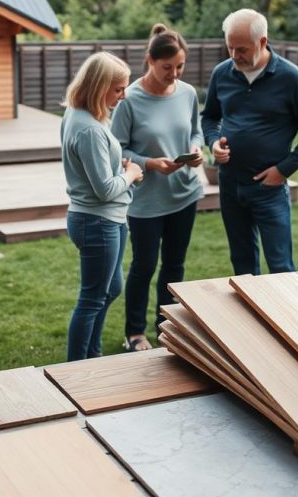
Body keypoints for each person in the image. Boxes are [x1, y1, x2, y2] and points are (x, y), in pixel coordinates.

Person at [201, 9, 298, 275]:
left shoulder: (291, 78)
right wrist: (213, 142)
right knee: (242, 263)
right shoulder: (221, 74)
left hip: (268, 190)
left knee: (281, 267)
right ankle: (251, 317)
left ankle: (285, 318)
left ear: (262, 42)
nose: (235, 56)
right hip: (230, 184)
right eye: (230, 48)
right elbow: (210, 117)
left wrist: (283, 171)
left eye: (242, 49)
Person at [111, 24, 204, 352]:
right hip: (146, 199)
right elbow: (117, 151)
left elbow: (196, 130)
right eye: (168, 67)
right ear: (149, 60)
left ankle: (168, 328)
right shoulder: (129, 100)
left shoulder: (188, 93)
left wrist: (197, 151)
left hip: (184, 192)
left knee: (175, 265)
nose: (175, 74)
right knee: (144, 265)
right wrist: (150, 163)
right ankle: (135, 334)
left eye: (180, 67)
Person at [61, 52, 145, 361]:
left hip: (104, 219)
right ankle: (75, 369)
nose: (123, 96)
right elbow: (105, 189)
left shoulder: (78, 114)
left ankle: (92, 353)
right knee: (92, 298)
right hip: (97, 221)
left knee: (110, 290)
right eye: (118, 89)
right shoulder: (90, 128)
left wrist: (117, 167)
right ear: (99, 86)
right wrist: (131, 173)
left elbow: (94, 169)